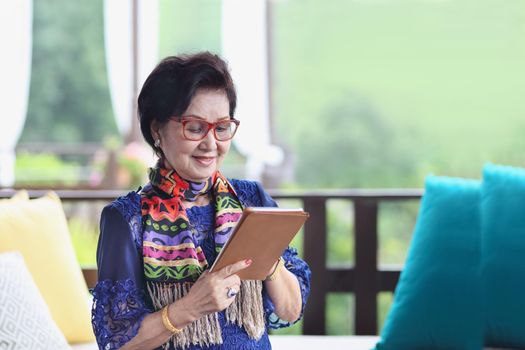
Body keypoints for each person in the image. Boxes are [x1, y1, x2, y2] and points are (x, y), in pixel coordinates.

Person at [91, 52, 311, 350]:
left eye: (221, 127)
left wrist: (267, 260)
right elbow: (117, 343)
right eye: (194, 127)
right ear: (157, 130)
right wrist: (190, 307)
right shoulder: (128, 219)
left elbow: (290, 310)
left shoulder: (252, 200)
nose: (211, 144)